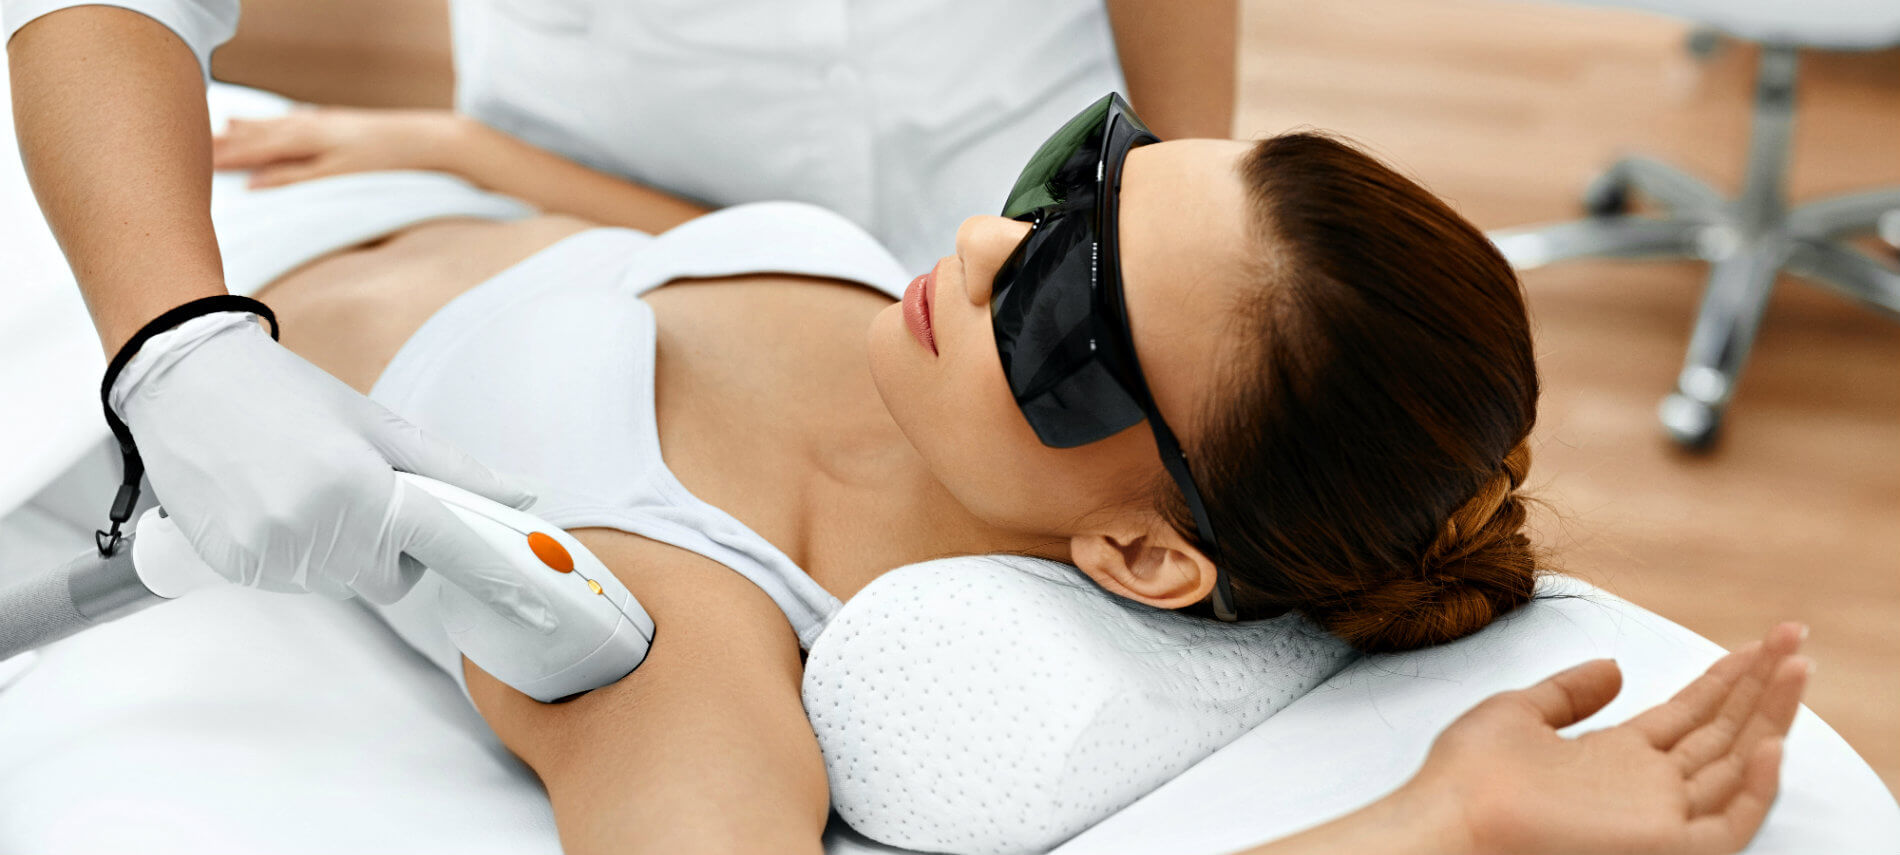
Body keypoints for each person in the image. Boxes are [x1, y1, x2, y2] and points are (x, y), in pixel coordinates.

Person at [211, 90, 1806, 853]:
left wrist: (1438, 818)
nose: (983, 244)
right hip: (311, 175)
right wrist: (457, 153)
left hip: (126, 294)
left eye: (1060, 313)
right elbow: (686, 246)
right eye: (1078, 186)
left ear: (1141, 556)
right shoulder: (941, 366)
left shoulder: (670, 623)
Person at [1, 0, 1232, 631]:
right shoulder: (881, 287)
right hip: (449, 190)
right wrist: (175, 342)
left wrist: (1153, 215)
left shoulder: (672, 598)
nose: (979, 242)